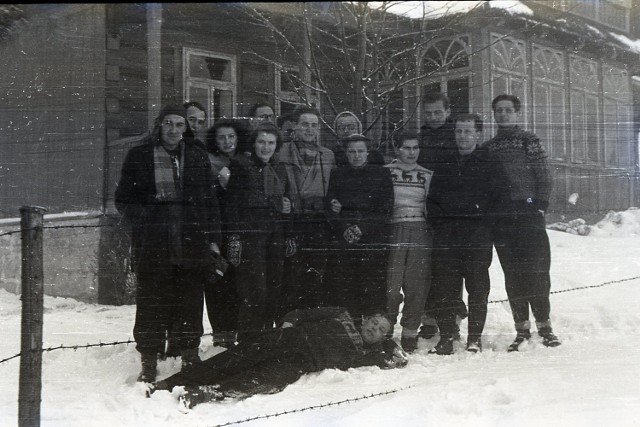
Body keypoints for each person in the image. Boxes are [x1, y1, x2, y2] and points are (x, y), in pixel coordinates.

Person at [115, 104, 220, 383]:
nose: (173, 130)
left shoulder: (197, 156)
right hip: (154, 243)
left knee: (190, 302)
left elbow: (210, 202)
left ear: (185, 128)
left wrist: (213, 240)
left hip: (191, 242)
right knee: (151, 302)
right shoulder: (139, 156)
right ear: (159, 126)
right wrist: (149, 214)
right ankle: (149, 360)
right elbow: (123, 200)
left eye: (179, 125)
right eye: (168, 124)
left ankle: (189, 355)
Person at [154, 308, 408, 409]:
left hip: (299, 363)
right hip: (287, 339)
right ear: (366, 319)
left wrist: (393, 344)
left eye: (381, 330)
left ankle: (207, 393)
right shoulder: (340, 314)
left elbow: (396, 360)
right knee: (234, 359)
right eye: (374, 322)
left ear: (383, 338)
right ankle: (167, 384)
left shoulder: (367, 354)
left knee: (267, 380)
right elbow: (301, 313)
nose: (374, 329)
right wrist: (287, 325)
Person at [485, 94, 561, 351]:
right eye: (499, 111)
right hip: (502, 219)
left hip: (528, 214)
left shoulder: (529, 141)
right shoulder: (489, 147)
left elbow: (544, 174)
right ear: (494, 115)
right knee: (513, 274)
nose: (503, 115)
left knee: (537, 272)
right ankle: (522, 330)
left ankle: (545, 327)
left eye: (508, 110)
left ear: (517, 114)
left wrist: (540, 205)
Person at [427, 114, 498, 355]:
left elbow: (499, 197)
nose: (463, 136)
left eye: (468, 132)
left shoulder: (489, 161)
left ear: (478, 134)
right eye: (459, 131)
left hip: (477, 236)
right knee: (445, 287)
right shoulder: (445, 162)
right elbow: (433, 199)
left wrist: (484, 224)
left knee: (478, 288)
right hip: (448, 236)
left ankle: (474, 339)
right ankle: (446, 336)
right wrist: (441, 224)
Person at [223, 122, 296, 342]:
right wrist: (234, 239)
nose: (266, 147)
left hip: (275, 235)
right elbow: (232, 205)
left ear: (277, 145)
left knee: (274, 289)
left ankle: (265, 339)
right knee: (254, 291)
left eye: (271, 143)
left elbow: (288, 201)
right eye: (261, 142)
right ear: (254, 143)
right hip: (250, 235)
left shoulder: (280, 168)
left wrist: (288, 211)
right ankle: (248, 342)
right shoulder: (241, 165)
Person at [323, 134, 394, 322]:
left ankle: (374, 336)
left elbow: (385, 209)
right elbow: (331, 207)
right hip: (345, 242)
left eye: (360, 151)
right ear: (346, 153)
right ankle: (351, 336)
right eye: (352, 151)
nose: (356, 155)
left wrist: (362, 228)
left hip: (372, 242)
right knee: (347, 291)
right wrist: (344, 228)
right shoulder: (338, 174)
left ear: (367, 153)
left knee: (373, 292)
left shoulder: (381, 174)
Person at [276, 105, 336, 313]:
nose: (309, 129)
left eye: (314, 125)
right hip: (292, 222)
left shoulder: (327, 155)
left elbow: (333, 189)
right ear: (295, 127)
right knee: (291, 277)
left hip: (319, 223)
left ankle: (311, 330)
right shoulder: (281, 152)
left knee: (316, 277)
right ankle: (288, 329)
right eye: (305, 125)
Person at [384, 130, 434, 353]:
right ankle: (386, 328)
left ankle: (410, 331)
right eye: (406, 148)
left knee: (416, 282)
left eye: (415, 148)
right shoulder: (386, 173)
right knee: (391, 283)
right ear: (397, 149)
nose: (411, 152)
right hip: (393, 229)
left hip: (419, 229)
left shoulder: (426, 174)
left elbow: (431, 206)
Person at [418, 92, 462, 341]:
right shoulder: (420, 138)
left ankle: (451, 319)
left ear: (447, 112)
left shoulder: (457, 136)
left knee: (450, 268)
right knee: (426, 265)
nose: (433, 117)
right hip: (425, 207)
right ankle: (428, 318)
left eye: (438, 112)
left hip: (451, 209)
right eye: (428, 112)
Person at [203, 119, 250, 347]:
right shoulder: (209, 163)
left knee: (239, 284)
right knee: (218, 282)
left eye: (231, 137)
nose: (227, 142)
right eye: (221, 137)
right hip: (219, 230)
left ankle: (237, 332)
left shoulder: (245, 161)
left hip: (241, 230)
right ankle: (221, 334)